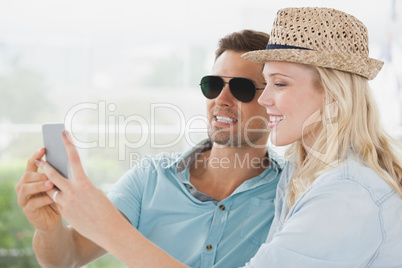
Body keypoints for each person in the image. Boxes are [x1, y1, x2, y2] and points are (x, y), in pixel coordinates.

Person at [15, 30, 284, 267]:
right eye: (213, 85)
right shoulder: (151, 178)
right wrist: (49, 230)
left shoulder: (290, 193)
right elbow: (66, 258)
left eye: (242, 88)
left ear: (273, 101)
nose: (221, 100)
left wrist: (108, 227)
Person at [240, 7, 402, 267]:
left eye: (280, 84)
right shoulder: (300, 169)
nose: (263, 98)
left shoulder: (348, 191)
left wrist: (147, 250)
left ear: (332, 94)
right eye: (266, 82)